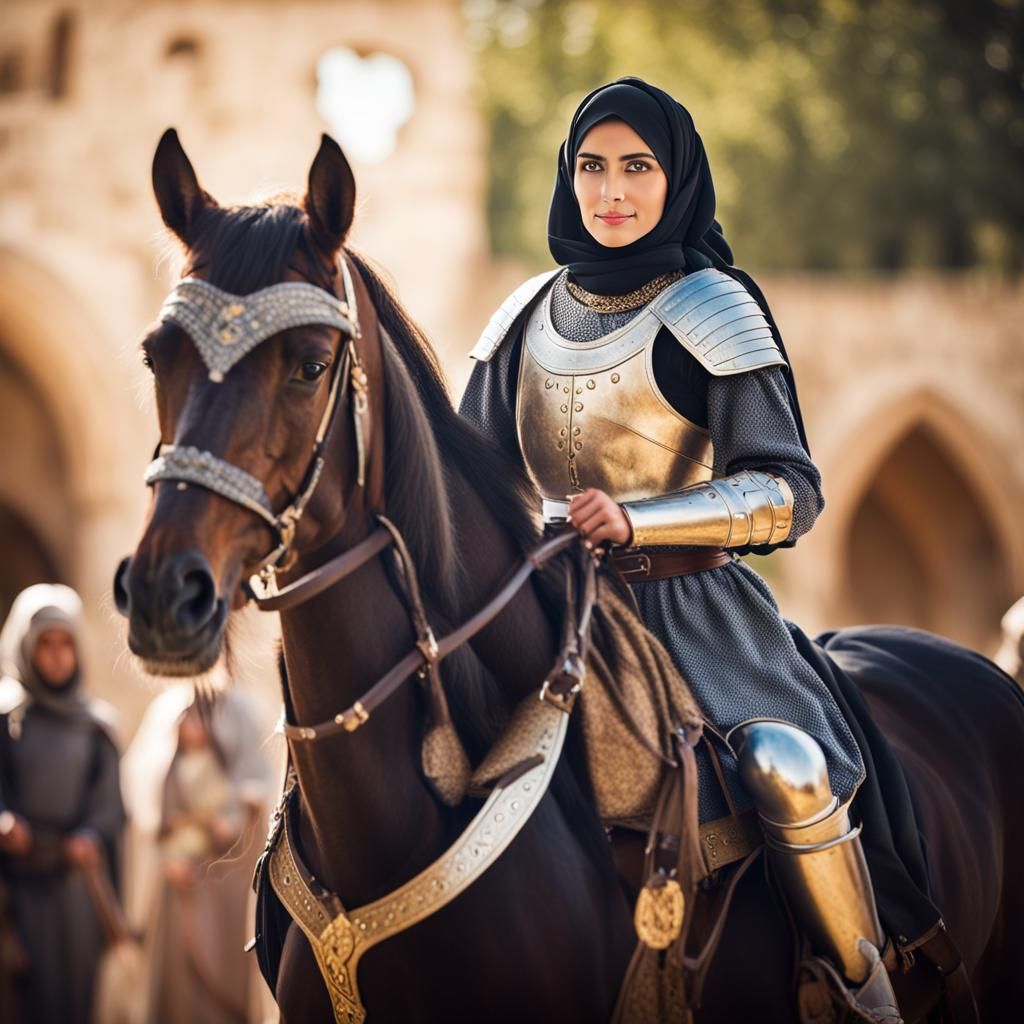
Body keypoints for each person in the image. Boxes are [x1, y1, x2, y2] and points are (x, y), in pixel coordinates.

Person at [460, 78, 904, 1021]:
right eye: (591, 167)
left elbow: (791, 492)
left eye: (636, 168)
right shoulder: (519, 318)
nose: (610, 191)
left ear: (676, 179)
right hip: (549, 609)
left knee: (789, 768)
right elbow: (469, 485)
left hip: (694, 618)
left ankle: (864, 989)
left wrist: (639, 521)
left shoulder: (714, 308)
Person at [0, 583, 125, 1024]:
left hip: (74, 887)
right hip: (15, 888)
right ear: (26, 648)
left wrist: (90, 835)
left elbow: (109, 805)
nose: (56, 655)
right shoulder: (6, 718)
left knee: (73, 998)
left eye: (65, 643)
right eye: (45, 644)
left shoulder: (96, 728)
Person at [123, 681, 273, 1024]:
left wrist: (224, 823)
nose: (192, 727)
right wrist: (171, 858)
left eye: (200, 719)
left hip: (220, 881)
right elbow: (163, 823)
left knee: (223, 956)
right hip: (183, 880)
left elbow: (237, 819)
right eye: (187, 719)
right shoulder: (172, 774)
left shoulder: (228, 770)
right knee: (182, 964)